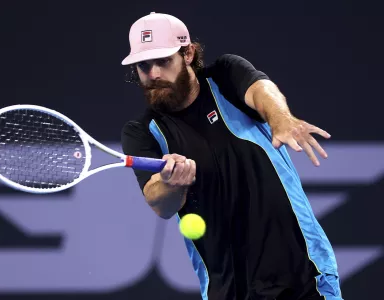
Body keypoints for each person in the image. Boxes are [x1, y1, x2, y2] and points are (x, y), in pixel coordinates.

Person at [121, 12, 343, 300]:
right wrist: (171, 182)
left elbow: (261, 91)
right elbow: (160, 204)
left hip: (301, 272)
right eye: (143, 66)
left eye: (163, 62)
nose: (153, 75)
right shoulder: (142, 131)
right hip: (228, 289)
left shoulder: (225, 77)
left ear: (188, 53)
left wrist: (281, 119)